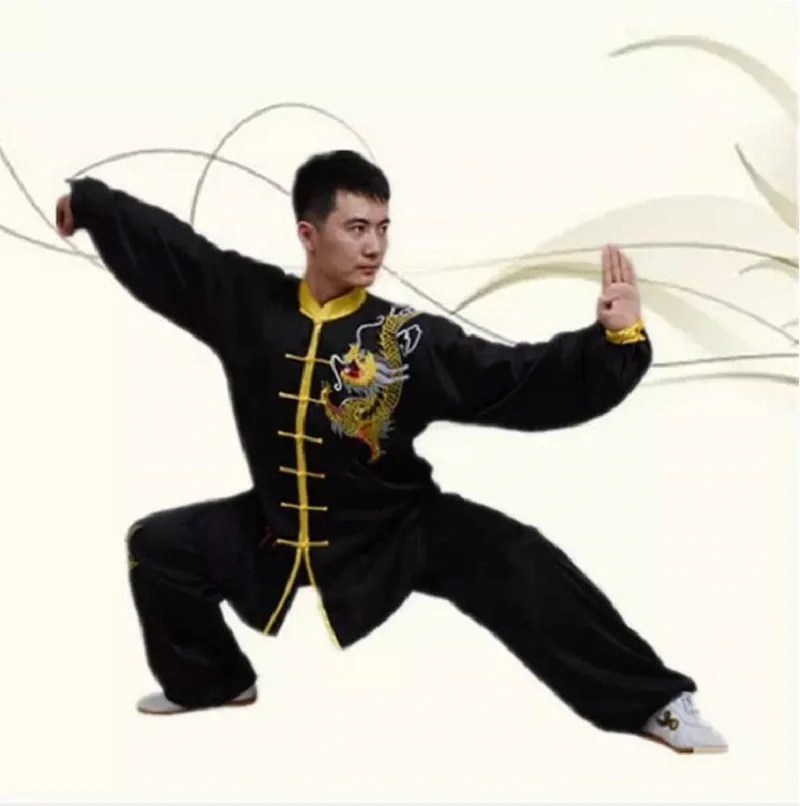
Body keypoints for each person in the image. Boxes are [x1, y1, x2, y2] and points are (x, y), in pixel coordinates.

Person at [55, 149, 726, 753]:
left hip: (398, 526)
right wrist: (89, 205)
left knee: (522, 560)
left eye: (382, 228)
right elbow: (175, 251)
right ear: (308, 234)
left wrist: (613, 341)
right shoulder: (248, 303)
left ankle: (656, 703)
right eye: (356, 228)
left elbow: (513, 378)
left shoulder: (406, 339)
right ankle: (211, 681)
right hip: (279, 529)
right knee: (160, 546)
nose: (374, 246)